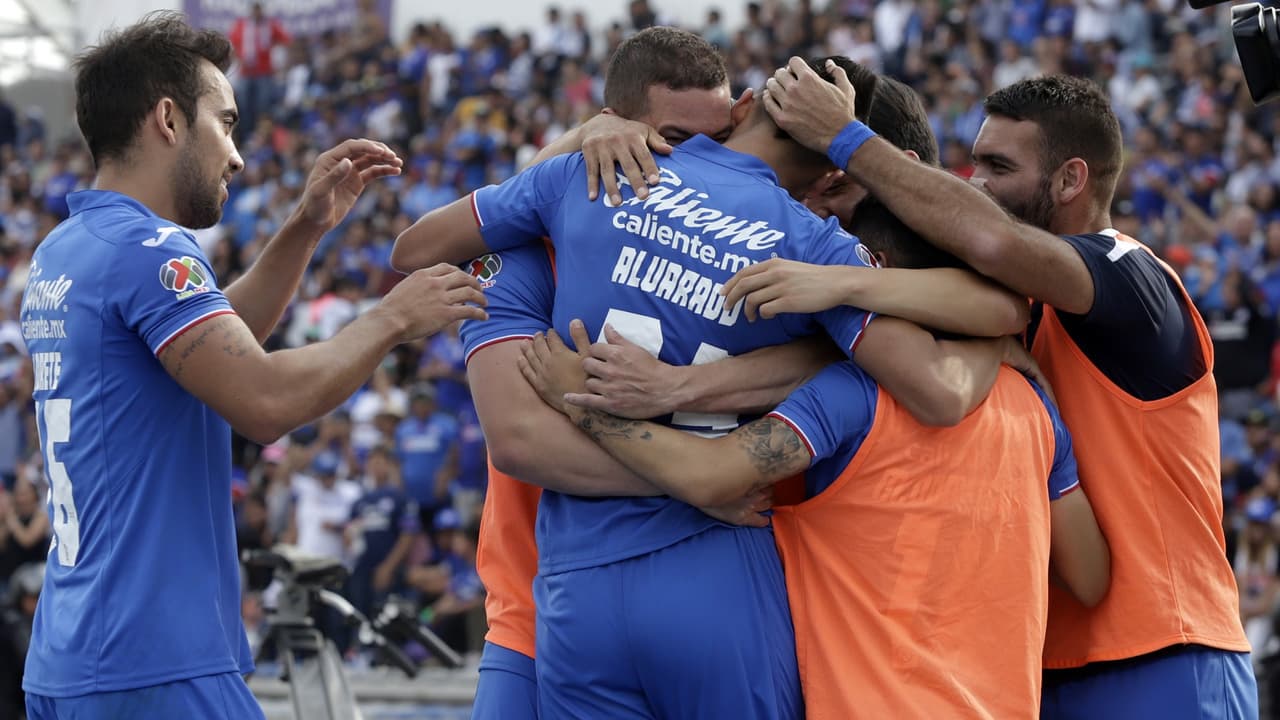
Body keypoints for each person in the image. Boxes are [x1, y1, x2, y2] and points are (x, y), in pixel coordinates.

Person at [394, 51, 1032, 718]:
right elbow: (954, 365)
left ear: (744, 108)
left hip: (572, 585)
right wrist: (704, 477)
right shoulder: (811, 253)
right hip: (707, 573)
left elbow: (414, 249)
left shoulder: (572, 185)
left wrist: (678, 394)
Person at [19, 14, 485, 720]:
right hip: (154, 661)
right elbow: (262, 399)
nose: (236, 157)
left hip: (74, 654)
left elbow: (214, 351)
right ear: (168, 119)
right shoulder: (149, 250)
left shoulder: (66, 248)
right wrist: (391, 318)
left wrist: (305, 227)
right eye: (226, 122)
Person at [756, 62, 1256, 718]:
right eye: (973, 164)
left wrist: (846, 139)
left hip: (1166, 653)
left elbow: (990, 239)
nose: (976, 184)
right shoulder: (1001, 307)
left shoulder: (1131, 275)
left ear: (1070, 179)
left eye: (998, 167)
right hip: (1043, 667)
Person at [517, 200, 1109, 717]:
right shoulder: (1035, 407)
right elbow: (1090, 577)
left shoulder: (851, 395)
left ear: (874, 265)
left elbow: (710, 475)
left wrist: (583, 406)